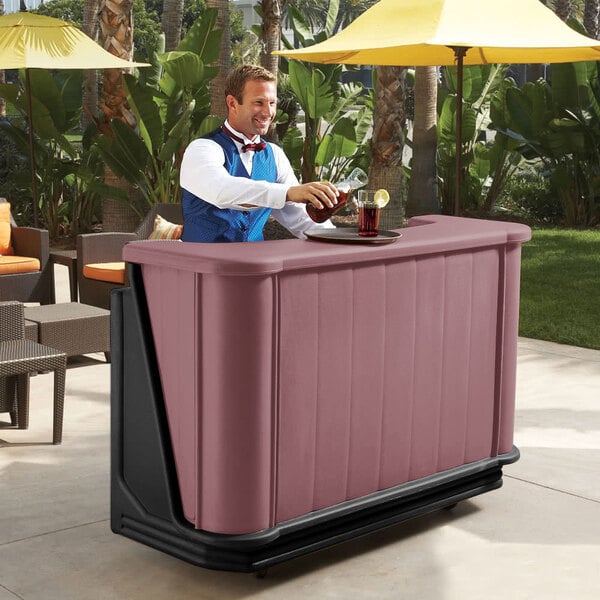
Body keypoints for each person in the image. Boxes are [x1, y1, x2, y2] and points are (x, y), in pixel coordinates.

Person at [179, 64, 338, 242]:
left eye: (272, 103)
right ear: (232, 103)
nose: (268, 112)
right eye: (258, 103)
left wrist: (342, 240)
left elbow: (299, 218)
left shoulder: (275, 155)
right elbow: (221, 191)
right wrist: (288, 192)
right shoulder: (202, 149)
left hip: (255, 265)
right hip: (202, 264)